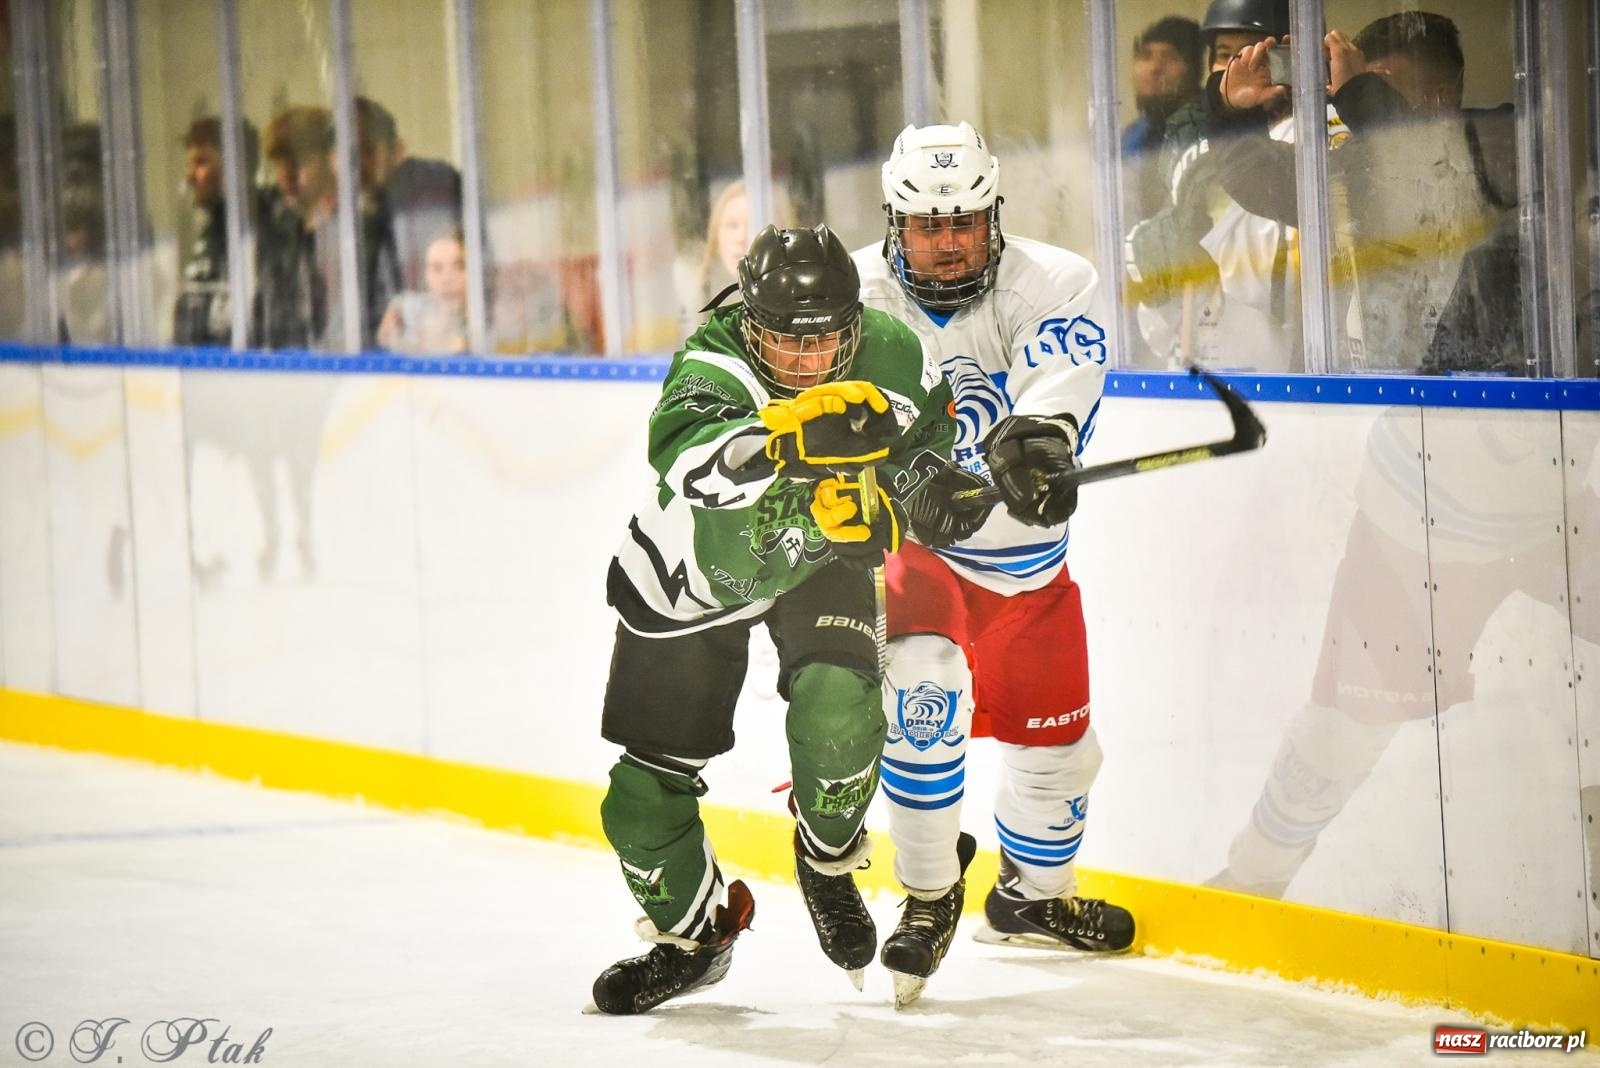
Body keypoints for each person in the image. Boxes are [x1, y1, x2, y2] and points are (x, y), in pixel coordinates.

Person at [592, 223, 977, 1015]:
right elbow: (693, 461)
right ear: (749, 320)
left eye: (826, 342)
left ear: (852, 323)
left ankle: (828, 858)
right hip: (696, 572)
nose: (806, 362)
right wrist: (786, 445)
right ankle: (695, 942)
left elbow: (926, 448)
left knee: (839, 721)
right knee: (638, 802)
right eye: (784, 344)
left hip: (815, 559)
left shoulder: (889, 348)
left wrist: (939, 487)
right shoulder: (713, 357)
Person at [850, 122, 1134, 1009]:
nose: (946, 241)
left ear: (992, 215)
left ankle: (1029, 900)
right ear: (896, 222)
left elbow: (1061, 378)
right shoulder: (853, 295)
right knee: (921, 694)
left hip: (1030, 570)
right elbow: (825, 417)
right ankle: (930, 897)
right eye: (927, 225)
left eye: (964, 222)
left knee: (1058, 755)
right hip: (919, 559)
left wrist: (1041, 442)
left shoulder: (1055, 281)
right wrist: (901, 479)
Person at [1208, 12, 1513, 372]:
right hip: (1365, 393)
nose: (1354, 103)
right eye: (1354, 87)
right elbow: (1258, 177)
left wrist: (1361, 94)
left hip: (1474, 394)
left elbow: (1430, 164)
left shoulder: (1496, 146)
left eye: (1377, 87)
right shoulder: (1362, 168)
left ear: (1440, 98)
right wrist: (1231, 112)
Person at [172, 116, 259, 346]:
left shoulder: (260, 236)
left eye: (201, 163)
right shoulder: (207, 233)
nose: (190, 176)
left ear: (236, 166)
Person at [1122, 16, 1203, 224]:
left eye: (1170, 57)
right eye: (1145, 55)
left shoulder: (1214, 127)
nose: (1154, 68)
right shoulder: (1133, 138)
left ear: (1194, 70)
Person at [377, 228, 467, 354]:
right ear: (426, 275)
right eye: (437, 268)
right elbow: (386, 338)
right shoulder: (415, 307)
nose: (447, 278)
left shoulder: (485, 317)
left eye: (458, 267)